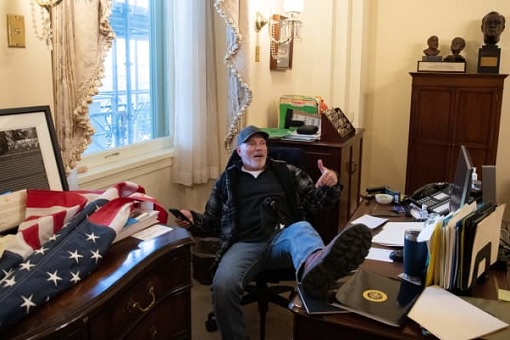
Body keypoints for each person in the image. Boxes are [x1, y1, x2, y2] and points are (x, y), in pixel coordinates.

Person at [173, 125, 372, 340]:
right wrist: (192, 220)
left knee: (302, 228)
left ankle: (316, 267)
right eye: (251, 143)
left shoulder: (286, 171)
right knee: (222, 287)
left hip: (284, 238)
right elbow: (211, 222)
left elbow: (315, 204)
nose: (259, 148)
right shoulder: (226, 182)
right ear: (239, 152)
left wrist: (329, 185)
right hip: (244, 244)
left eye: (263, 143)